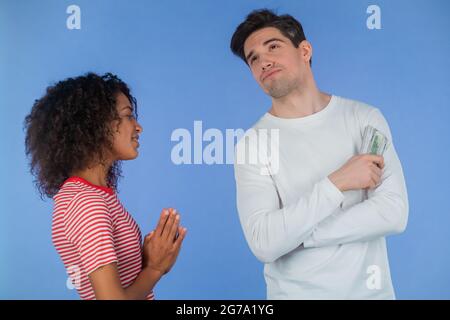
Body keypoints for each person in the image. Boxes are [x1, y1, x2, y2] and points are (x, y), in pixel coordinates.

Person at [230, 9, 408, 299]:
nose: (263, 61)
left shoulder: (365, 119)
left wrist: (299, 237)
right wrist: (337, 182)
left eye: (273, 47)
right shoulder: (253, 144)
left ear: (305, 50)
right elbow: (264, 242)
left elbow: (393, 213)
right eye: (253, 59)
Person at [24, 72, 187, 300]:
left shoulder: (86, 195)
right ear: (96, 125)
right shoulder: (88, 203)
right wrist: (155, 269)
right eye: (128, 115)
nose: (138, 127)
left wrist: (147, 260)